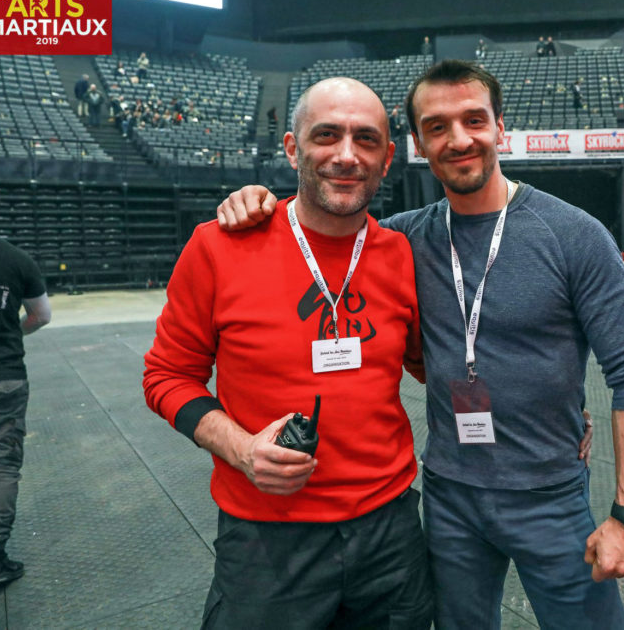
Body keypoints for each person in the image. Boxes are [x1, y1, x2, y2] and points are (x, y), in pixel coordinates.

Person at [215, 60, 624, 629]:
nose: (458, 139)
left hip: (549, 494)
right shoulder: (401, 239)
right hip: (450, 498)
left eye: (474, 120)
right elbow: (317, 219)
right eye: (437, 126)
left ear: (501, 127)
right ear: (418, 145)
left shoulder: (573, 234)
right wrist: (254, 200)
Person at [143, 79, 435, 627]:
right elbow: (166, 376)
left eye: (366, 140)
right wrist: (241, 448)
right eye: (326, 136)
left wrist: (550, 409)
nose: (347, 156)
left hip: (391, 533)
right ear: (292, 148)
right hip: (266, 537)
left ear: (388, 157)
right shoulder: (218, 245)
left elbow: (431, 364)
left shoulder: (401, 253)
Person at [0, 176, 52, 586]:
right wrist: (9, 330)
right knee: (1, 466)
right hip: (1, 376)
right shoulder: (15, 258)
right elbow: (42, 316)